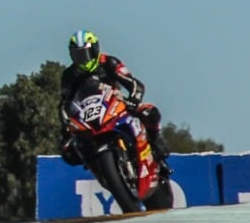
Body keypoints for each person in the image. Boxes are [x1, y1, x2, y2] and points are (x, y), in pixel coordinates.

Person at [58, 30, 168, 166]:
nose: (83, 60)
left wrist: (133, 100)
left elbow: (134, 84)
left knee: (149, 111)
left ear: (95, 49)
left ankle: (156, 143)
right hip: (88, 118)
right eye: (78, 56)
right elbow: (64, 103)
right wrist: (66, 127)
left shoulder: (109, 62)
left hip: (116, 106)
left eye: (85, 54)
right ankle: (97, 165)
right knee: (67, 150)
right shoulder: (69, 75)